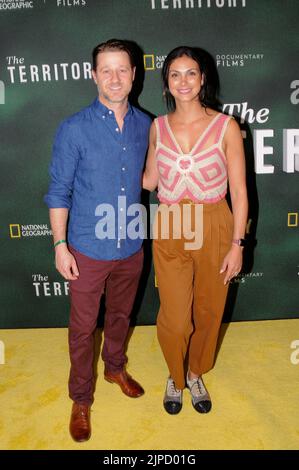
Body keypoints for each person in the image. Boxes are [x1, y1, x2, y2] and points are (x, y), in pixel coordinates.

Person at [44, 39, 151, 441]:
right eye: (105, 70)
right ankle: (81, 397)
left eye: (122, 69)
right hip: (87, 247)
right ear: (93, 76)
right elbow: (59, 191)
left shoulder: (147, 125)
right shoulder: (73, 128)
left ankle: (115, 367)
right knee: (84, 328)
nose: (114, 77)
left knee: (121, 316)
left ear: (134, 74)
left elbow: (151, 179)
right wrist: (59, 245)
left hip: (131, 245)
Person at [143, 46, 248, 415]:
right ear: (166, 82)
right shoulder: (157, 127)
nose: (183, 81)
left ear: (203, 78)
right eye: (175, 74)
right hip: (171, 223)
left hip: (215, 221)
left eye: (191, 73)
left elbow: (239, 190)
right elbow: (151, 180)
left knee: (208, 309)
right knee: (174, 316)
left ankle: (194, 371)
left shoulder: (226, 126)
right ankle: (174, 374)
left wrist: (237, 244)